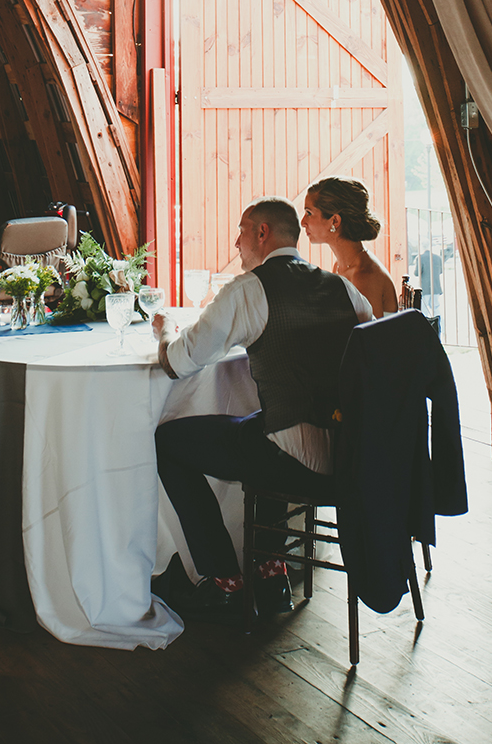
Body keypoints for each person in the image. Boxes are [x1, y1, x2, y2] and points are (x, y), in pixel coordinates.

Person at [152, 196, 372, 623]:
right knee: (261, 426)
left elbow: (179, 363)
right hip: (351, 455)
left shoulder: (248, 290)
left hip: (291, 459)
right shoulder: (345, 290)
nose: (237, 243)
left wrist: (165, 332)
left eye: (241, 231)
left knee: (168, 442)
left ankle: (223, 582)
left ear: (262, 233)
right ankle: (272, 574)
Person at [301, 176, 398, 319]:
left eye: (309, 213)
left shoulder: (365, 276)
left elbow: (369, 339)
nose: (303, 222)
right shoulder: (340, 267)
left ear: (334, 221)